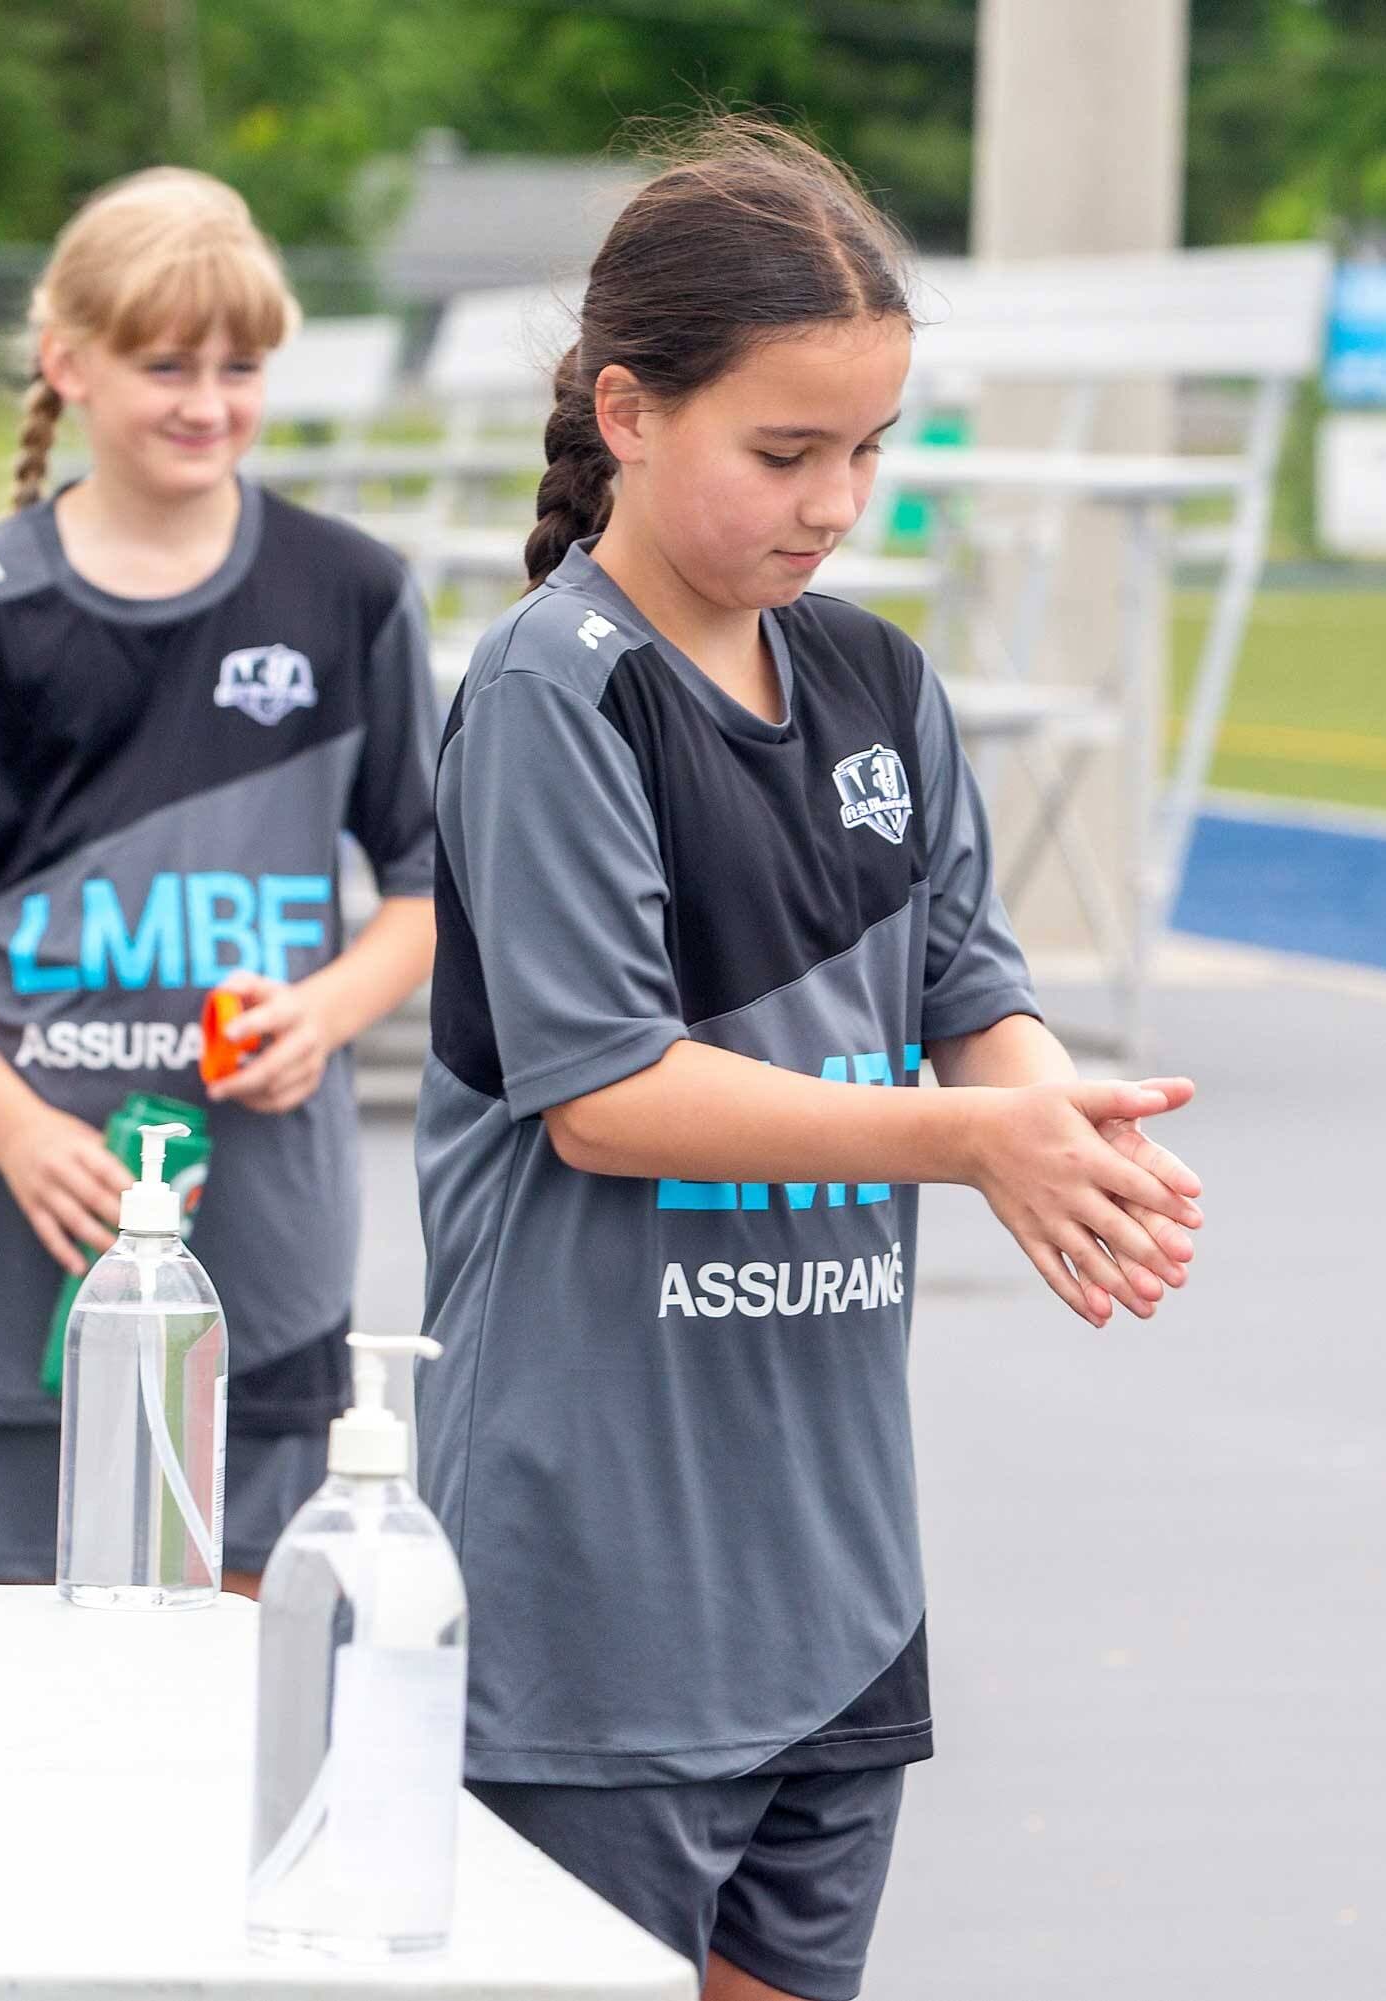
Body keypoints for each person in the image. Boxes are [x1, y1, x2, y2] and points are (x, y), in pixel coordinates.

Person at [413, 116, 1206, 2001]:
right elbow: (609, 1099)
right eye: (785, 452)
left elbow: (971, 987)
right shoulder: (555, 692)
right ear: (625, 411)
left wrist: (1052, 1122)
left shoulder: (878, 684)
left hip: (833, 1580)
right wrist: (970, 1138)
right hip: (599, 1586)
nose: (835, 499)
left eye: (868, 449)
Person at [0, 168, 440, 1594]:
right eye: (166, 365)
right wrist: (22, 1131)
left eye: (241, 367)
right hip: (17, 1236)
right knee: (12, 1701)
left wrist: (331, 1010)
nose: (208, 402)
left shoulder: (349, 594)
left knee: (236, 1689)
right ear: (68, 362)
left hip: (264, 1243)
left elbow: (423, 885)